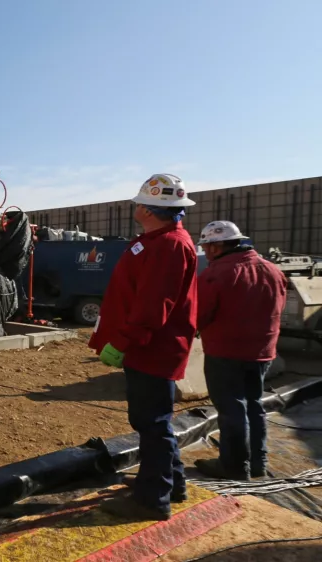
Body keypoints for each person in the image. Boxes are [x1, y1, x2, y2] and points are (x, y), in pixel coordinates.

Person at [89, 173, 199, 521]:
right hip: (146, 346)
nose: (136, 206)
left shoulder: (169, 246)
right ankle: (171, 483)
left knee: (152, 423)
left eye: (140, 202)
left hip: (152, 348)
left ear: (150, 210)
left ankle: (152, 500)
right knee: (152, 422)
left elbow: (153, 306)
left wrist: (122, 342)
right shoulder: (155, 240)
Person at [193, 221, 287, 480]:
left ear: (215, 246)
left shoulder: (217, 274)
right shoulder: (272, 270)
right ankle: (258, 462)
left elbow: (199, 315)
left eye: (207, 247)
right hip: (262, 352)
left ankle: (234, 467)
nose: (206, 253)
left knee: (232, 409)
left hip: (225, 353)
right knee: (254, 405)